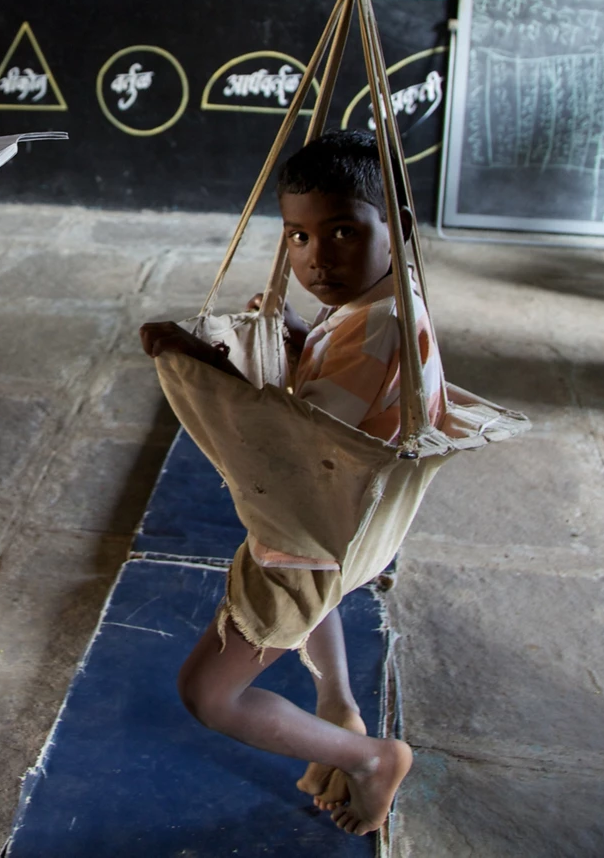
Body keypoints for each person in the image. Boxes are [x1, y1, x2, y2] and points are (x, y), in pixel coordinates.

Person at [137, 129, 444, 837]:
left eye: (341, 230)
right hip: (342, 529)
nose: (315, 256)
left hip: (312, 535)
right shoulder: (384, 303)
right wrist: (306, 339)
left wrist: (204, 361)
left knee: (209, 694)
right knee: (321, 593)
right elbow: (351, 377)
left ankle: (369, 758)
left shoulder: (378, 325)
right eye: (298, 237)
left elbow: (300, 434)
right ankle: (336, 695)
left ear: (396, 226)